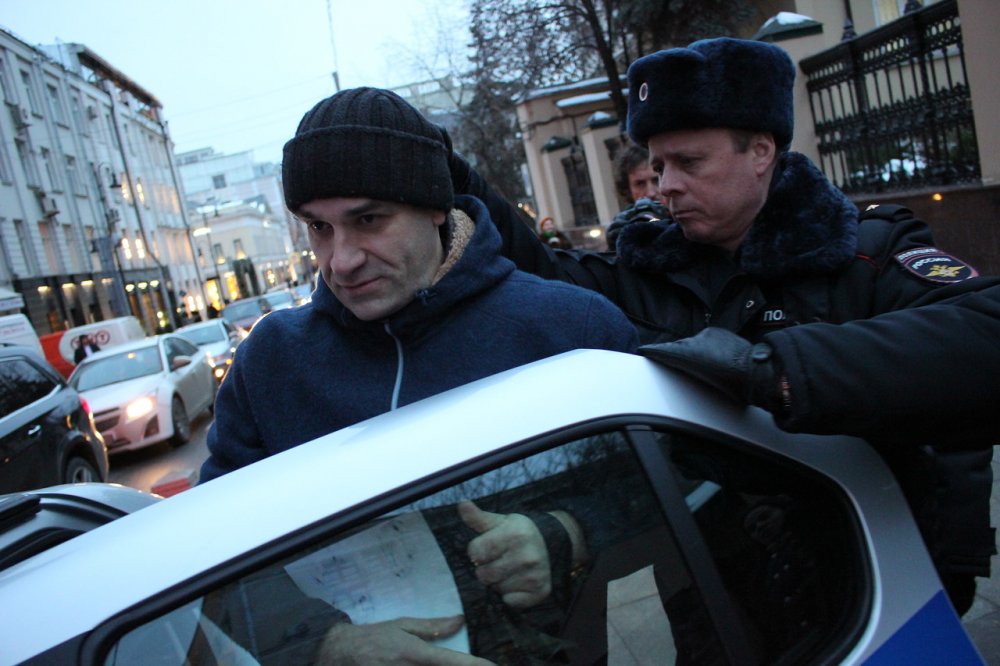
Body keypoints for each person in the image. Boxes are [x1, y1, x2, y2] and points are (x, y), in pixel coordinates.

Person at [450, 37, 1000, 615]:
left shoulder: (865, 254)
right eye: (659, 166)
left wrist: (773, 373)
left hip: (875, 590)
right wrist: (444, 165)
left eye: (689, 163)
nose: (666, 185)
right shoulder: (654, 267)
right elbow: (537, 270)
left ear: (761, 150)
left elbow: (983, 340)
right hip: (716, 601)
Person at [200, 87, 637, 662]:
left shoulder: (570, 328)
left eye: (368, 220)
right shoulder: (270, 363)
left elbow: (671, 478)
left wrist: (567, 532)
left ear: (435, 206)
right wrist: (325, 642)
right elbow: (212, 552)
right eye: (318, 228)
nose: (341, 260)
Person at [606, 144, 669, 249]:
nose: (650, 193)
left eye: (656, 180)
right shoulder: (620, 228)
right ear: (628, 189)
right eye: (640, 184)